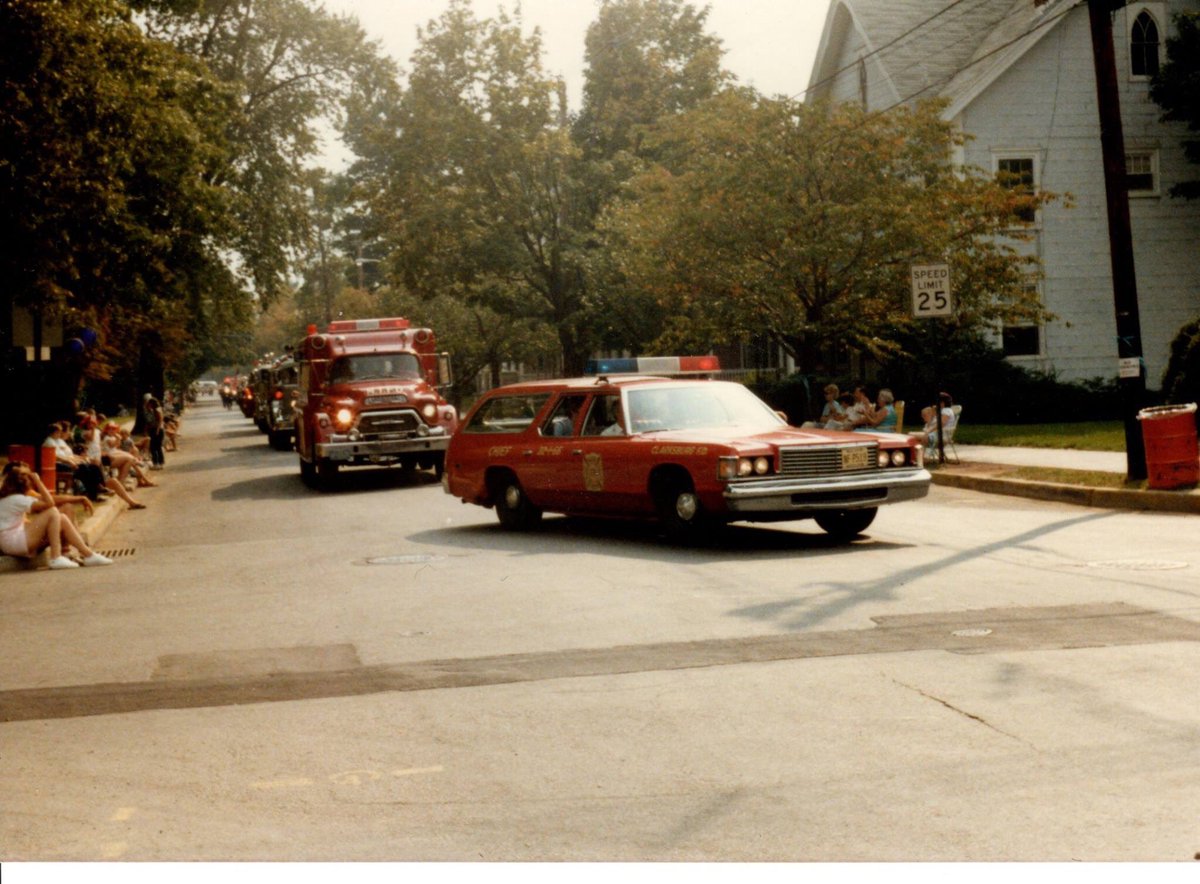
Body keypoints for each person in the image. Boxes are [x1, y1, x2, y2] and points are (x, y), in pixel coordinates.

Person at [0, 462, 113, 569]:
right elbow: (50, 503)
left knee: (61, 517)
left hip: (13, 543)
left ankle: (88, 554)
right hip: (15, 543)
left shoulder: (10, 498)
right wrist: (38, 481)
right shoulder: (16, 499)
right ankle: (56, 557)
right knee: (52, 512)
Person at [145, 396, 166, 470]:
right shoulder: (153, 410)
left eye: (149, 403)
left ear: (152, 404)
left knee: (154, 447)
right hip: (154, 430)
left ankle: (157, 463)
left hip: (156, 430)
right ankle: (160, 462)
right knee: (156, 447)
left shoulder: (157, 410)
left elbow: (160, 420)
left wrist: (157, 430)